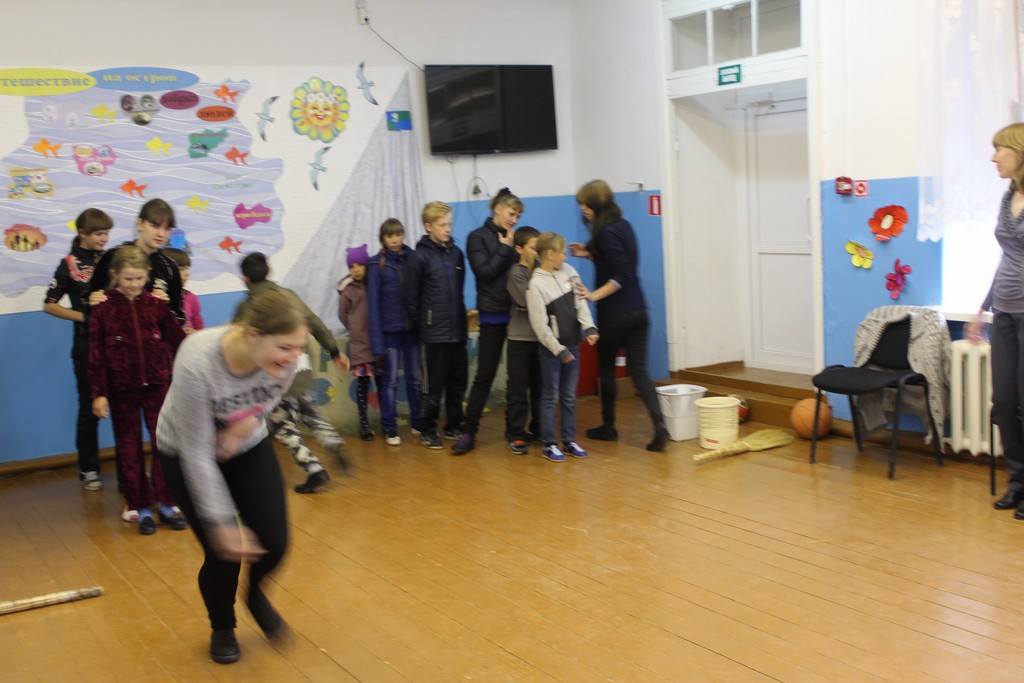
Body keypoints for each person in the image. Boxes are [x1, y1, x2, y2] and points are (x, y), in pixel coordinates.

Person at [157, 289, 307, 664]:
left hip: (245, 444)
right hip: (186, 449)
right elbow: (196, 453)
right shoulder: (198, 359)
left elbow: (272, 396)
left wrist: (249, 422)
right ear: (253, 335)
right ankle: (222, 626)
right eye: (285, 348)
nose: (294, 358)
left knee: (274, 541)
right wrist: (220, 521)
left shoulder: (286, 361)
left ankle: (255, 594)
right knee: (224, 554)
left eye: (299, 348)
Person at [89, 246, 187, 534]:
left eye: (139, 278)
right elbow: (96, 355)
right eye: (128, 278)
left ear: (147, 275)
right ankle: (139, 504)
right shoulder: (103, 309)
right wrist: (99, 394)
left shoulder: (157, 306)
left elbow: (179, 343)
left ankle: (167, 502)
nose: (134, 284)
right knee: (129, 447)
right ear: (115, 275)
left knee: (163, 444)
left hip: (157, 385)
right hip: (122, 390)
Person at [570, 179, 670, 452]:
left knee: (606, 369)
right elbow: (619, 260)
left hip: (615, 313)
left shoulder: (605, 233)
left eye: (586, 204)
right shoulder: (623, 225)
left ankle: (608, 426)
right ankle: (660, 425)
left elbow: (622, 274)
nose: (583, 209)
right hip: (639, 311)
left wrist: (594, 295)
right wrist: (589, 254)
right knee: (639, 371)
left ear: (597, 204)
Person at [236, 252, 348, 493]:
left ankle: (314, 469)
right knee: (306, 406)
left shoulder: (249, 307)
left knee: (280, 422)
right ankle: (331, 439)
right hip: (300, 364)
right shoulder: (289, 296)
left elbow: (238, 341)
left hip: (272, 373)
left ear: (245, 279)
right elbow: (314, 322)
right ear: (269, 270)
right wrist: (334, 351)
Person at [968, 122, 1024, 519]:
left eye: (999, 149)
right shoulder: (1008, 198)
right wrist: (983, 309)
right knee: (1004, 402)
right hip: (1004, 311)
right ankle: (1017, 482)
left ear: (1020, 151)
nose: (993, 158)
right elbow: (1007, 256)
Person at [43, 208, 111, 491]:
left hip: (116, 344)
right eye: (98, 233)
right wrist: (85, 317)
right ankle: (89, 469)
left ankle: (128, 469)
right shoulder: (68, 264)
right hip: (86, 346)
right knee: (89, 408)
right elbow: (49, 305)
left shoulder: (111, 260)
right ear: (82, 233)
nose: (104, 238)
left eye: (106, 233)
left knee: (124, 406)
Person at [454, 188, 522, 455]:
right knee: (485, 375)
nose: (513, 220)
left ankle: (515, 432)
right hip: (493, 315)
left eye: (517, 216)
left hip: (517, 317)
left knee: (517, 378)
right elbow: (485, 273)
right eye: (511, 213)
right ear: (497, 208)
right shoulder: (477, 237)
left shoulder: (515, 237)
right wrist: (506, 248)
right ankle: (469, 432)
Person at [527, 232, 599, 462]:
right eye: (562, 253)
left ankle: (569, 441)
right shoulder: (536, 285)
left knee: (569, 396)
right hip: (552, 352)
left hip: (573, 345)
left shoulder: (570, 272)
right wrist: (559, 350)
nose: (565, 257)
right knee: (550, 396)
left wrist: (589, 328)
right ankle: (549, 444)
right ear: (550, 254)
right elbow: (540, 326)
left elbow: (581, 303)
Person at [402, 201, 468, 450]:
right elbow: (410, 297)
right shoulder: (419, 257)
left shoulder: (456, 254)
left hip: (457, 331)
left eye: (449, 224)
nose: (448, 229)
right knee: (432, 386)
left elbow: (459, 289)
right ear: (428, 226)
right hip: (433, 334)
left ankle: (453, 424)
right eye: (442, 225)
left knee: (457, 381)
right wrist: (425, 324)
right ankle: (428, 429)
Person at [366, 218, 422, 446]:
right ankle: (390, 428)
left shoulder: (413, 258)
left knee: (415, 379)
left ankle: (418, 422)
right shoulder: (375, 265)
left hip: (412, 331)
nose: (395, 240)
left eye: (398, 234)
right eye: (390, 236)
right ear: (383, 239)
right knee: (389, 382)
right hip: (389, 332)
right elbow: (373, 306)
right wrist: (377, 343)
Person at [89, 198, 184, 325]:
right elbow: (89, 303)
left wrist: (163, 308)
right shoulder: (112, 257)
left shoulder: (169, 267)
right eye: (155, 226)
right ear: (139, 224)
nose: (161, 234)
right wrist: (94, 300)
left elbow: (179, 317)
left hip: (153, 336)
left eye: (167, 228)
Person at [505, 225, 542, 455]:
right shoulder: (516, 273)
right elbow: (527, 301)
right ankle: (516, 434)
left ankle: (539, 429)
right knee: (518, 389)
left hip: (540, 339)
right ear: (519, 249)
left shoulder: (542, 271)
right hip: (519, 339)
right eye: (533, 247)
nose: (537, 252)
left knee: (540, 388)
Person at [337, 244, 379, 441]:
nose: (356, 269)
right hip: (360, 345)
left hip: (378, 343)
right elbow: (342, 315)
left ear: (366, 265)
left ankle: (388, 423)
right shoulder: (348, 291)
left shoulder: (374, 284)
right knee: (363, 385)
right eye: (351, 266)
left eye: (359, 265)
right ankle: (364, 425)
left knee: (383, 382)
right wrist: (355, 328)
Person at [164, 247, 204, 333]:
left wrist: (194, 333)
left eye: (187, 268)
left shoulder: (190, 297)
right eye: (180, 269)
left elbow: (199, 329)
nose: (186, 273)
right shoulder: (154, 299)